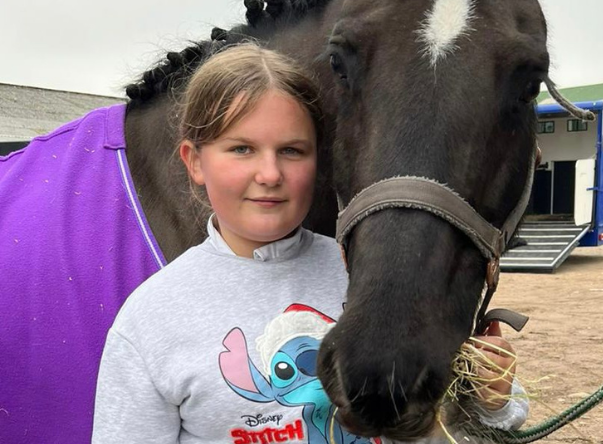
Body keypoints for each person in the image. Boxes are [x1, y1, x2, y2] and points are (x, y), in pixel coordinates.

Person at [92, 43, 528, 443]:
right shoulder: (151, 318)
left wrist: (493, 402)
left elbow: (451, 427)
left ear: (321, 160)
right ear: (195, 162)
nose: (269, 174)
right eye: (241, 149)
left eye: (292, 150)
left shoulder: (377, 275)